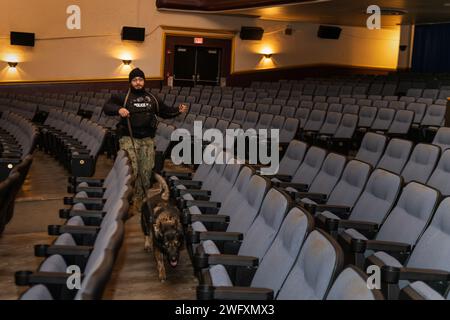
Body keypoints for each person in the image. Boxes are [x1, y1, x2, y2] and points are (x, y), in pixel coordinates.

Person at [104, 67, 188, 213]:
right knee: (134, 171)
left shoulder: (152, 98)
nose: (138, 82)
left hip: (147, 140)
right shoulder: (122, 97)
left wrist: (178, 110)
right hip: (129, 139)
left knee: (146, 173)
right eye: (135, 80)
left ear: (144, 81)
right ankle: (127, 202)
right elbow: (106, 107)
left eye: (140, 80)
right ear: (130, 82)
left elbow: (165, 112)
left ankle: (138, 204)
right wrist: (118, 110)